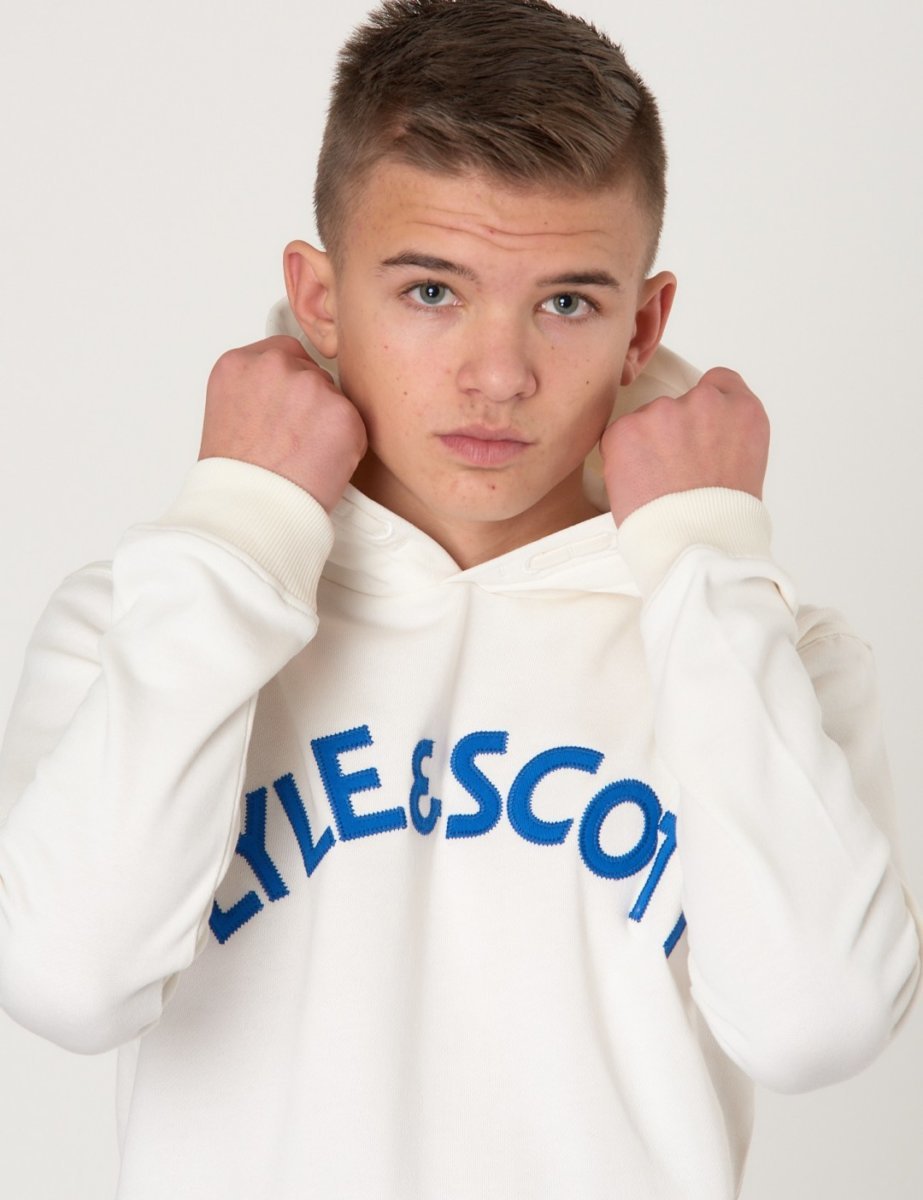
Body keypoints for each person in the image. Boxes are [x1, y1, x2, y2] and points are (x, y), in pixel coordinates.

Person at [0, 0, 919, 1196]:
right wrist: (240, 531)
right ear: (320, 300)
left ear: (641, 325)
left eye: (565, 302)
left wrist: (701, 562)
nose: (498, 376)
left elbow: (817, 1029)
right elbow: (64, 984)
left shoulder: (757, 642)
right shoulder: (154, 610)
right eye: (431, 291)